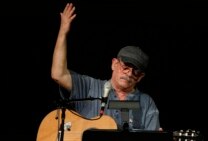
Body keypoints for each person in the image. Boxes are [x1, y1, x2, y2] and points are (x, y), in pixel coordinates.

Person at [51, 3, 162, 131]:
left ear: (141, 77)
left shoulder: (146, 103)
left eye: (136, 71)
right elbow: (58, 74)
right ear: (114, 64)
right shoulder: (90, 86)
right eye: (126, 66)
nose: (129, 73)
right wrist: (63, 32)